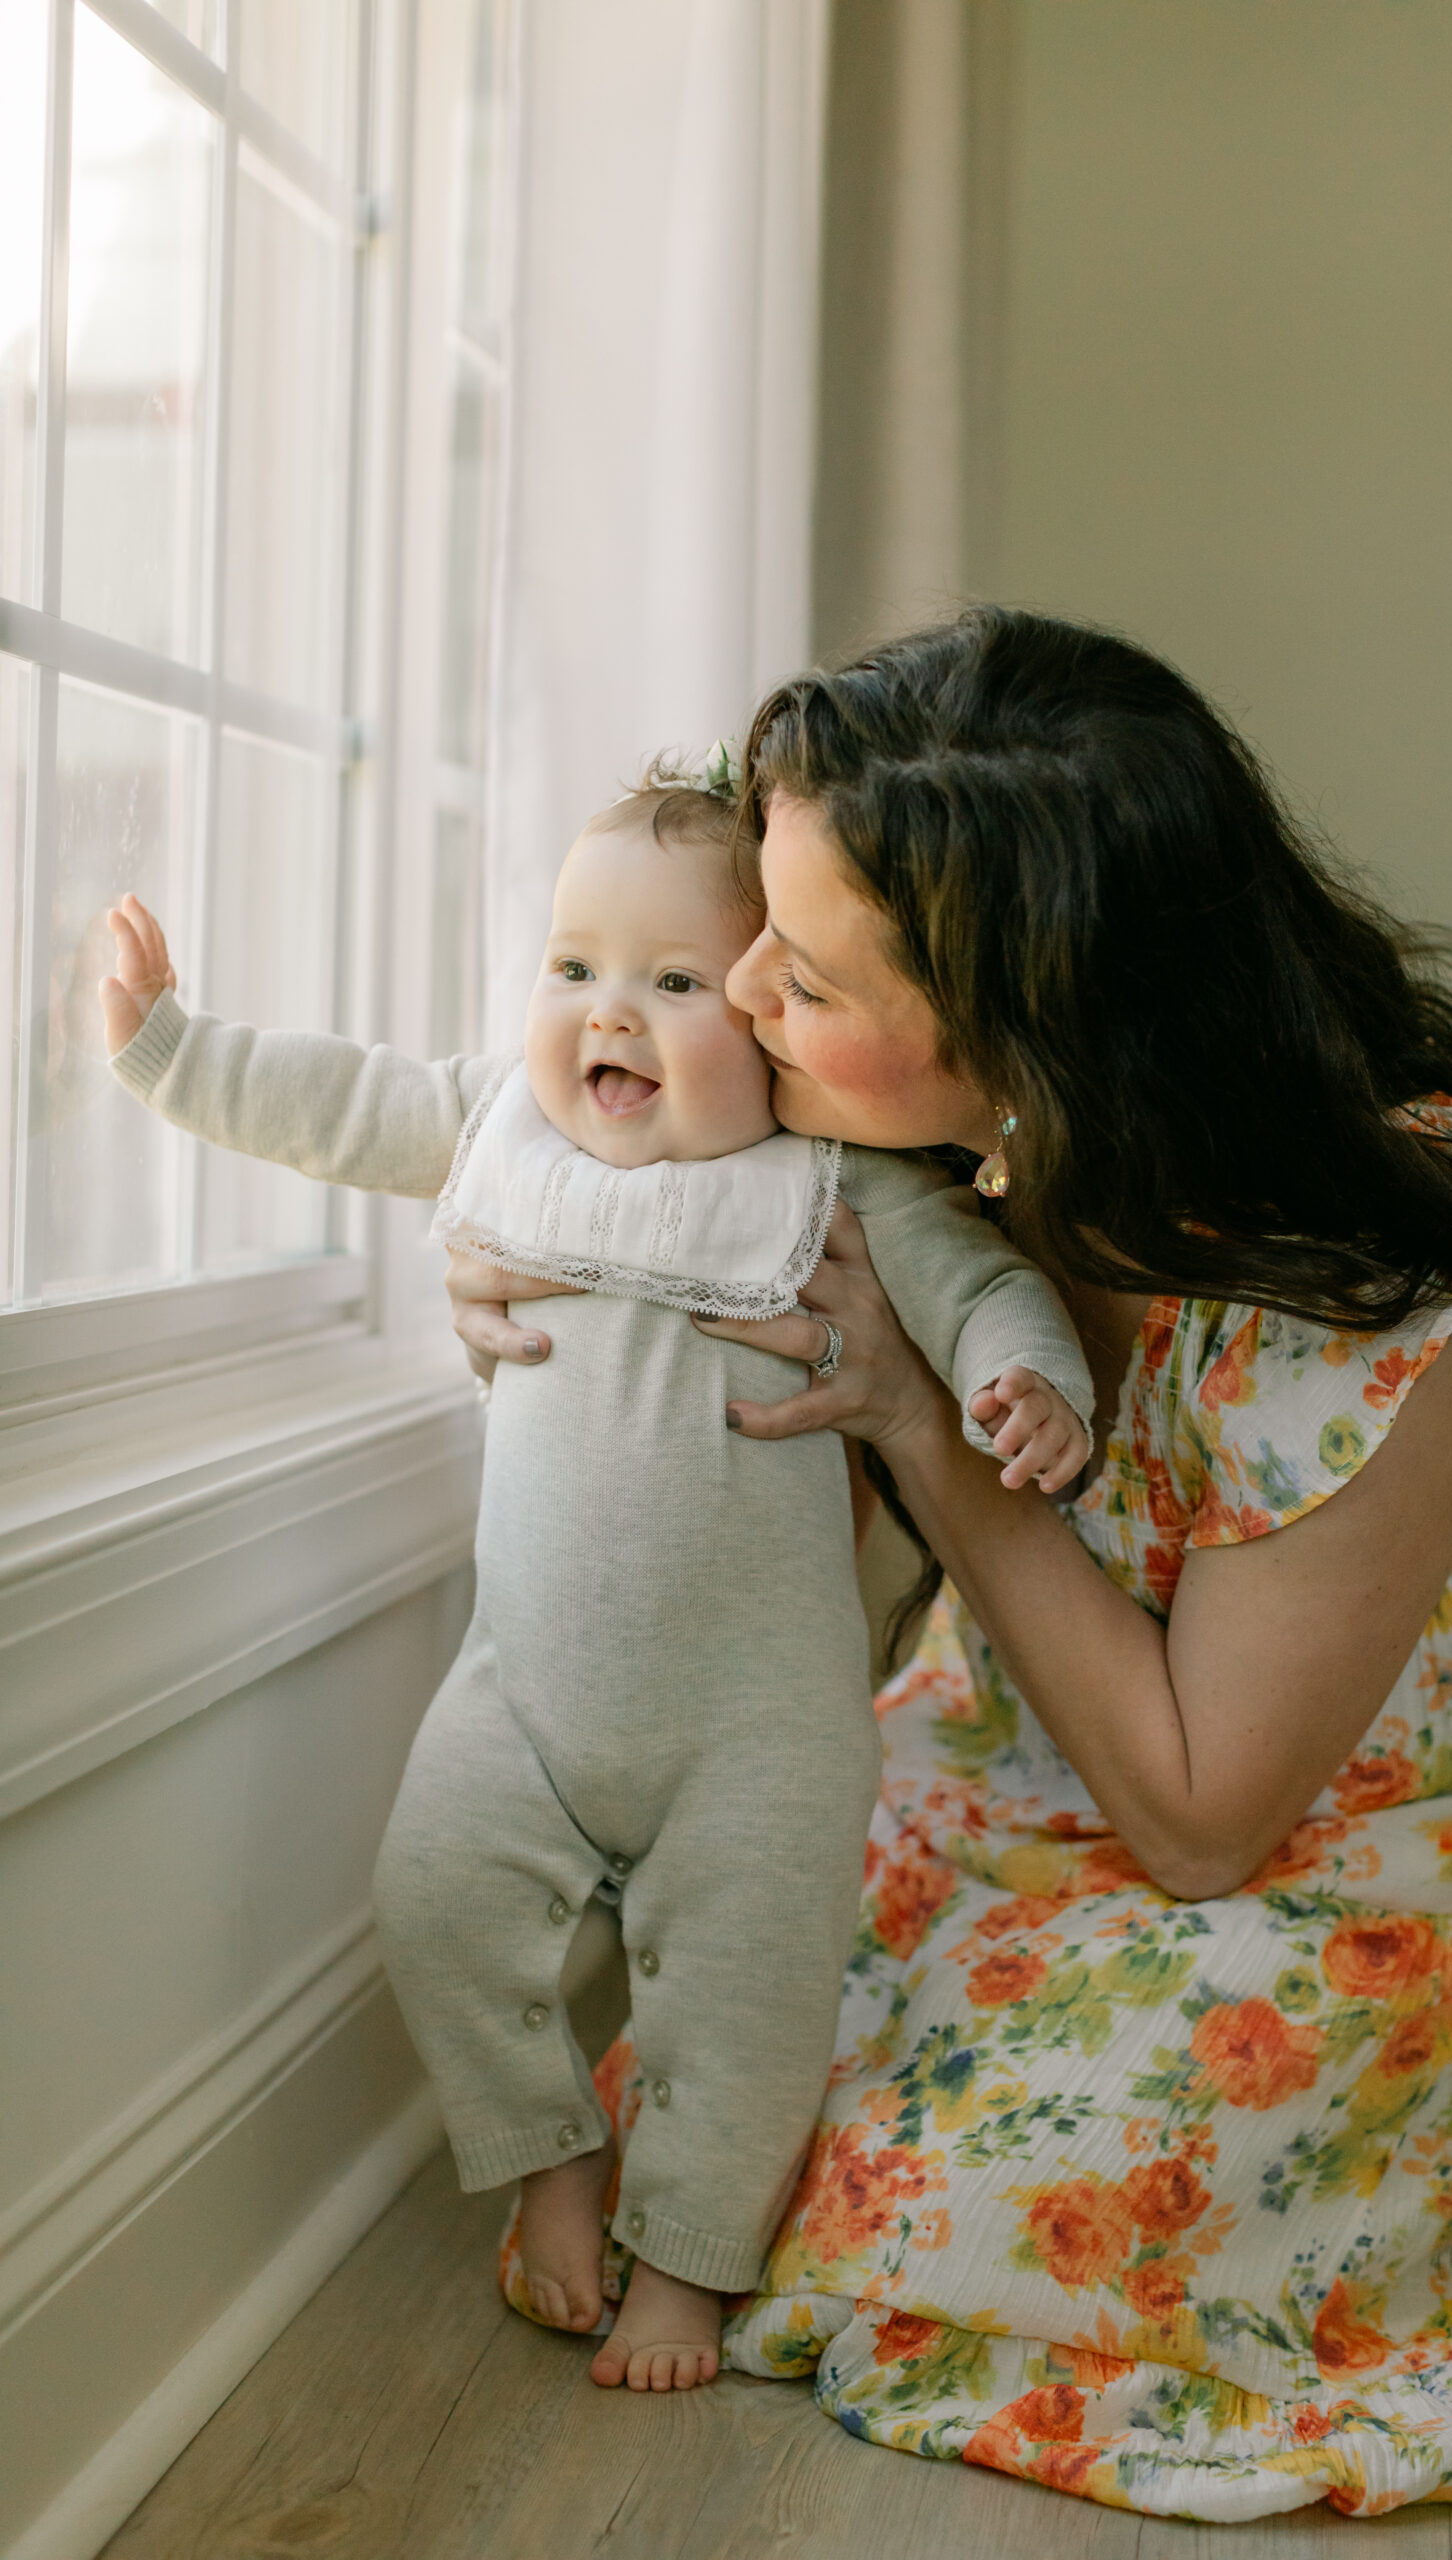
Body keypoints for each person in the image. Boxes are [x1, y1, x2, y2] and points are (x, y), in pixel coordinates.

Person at [450, 608, 1452, 2518]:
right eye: (752, 931)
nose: (743, 992)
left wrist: (923, 1429)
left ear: (1031, 1027)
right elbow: (556, 1140)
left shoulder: (1391, 1270)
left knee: (1057, 2192)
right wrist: (520, 1237)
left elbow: (1205, 1825)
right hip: (1025, 1750)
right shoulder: (912, 1143)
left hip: (1352, 1841)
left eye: (809, 967)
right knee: (746, 2087)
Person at [98, 764, 1092, 2396]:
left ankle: (689, 2267)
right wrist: (169, 1051)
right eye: (574, 968)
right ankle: (552, 2155)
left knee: (749, 2002)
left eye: (674, 981)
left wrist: (1025, 1377)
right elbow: (345, 1102)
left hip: (757, 1727)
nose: (606, 1014)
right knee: (433, 1902)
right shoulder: (501, 1125)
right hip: (525, 1692)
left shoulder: (823, 1188)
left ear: (772, 1023)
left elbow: (980, 1282)